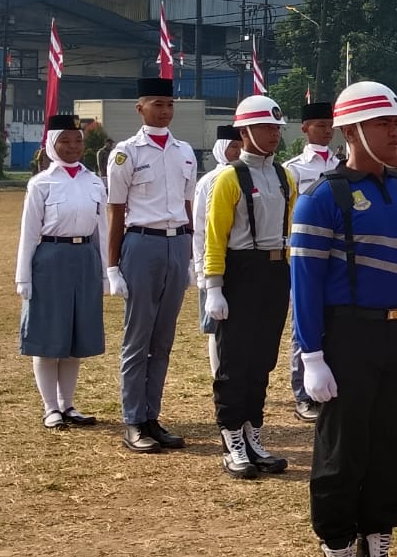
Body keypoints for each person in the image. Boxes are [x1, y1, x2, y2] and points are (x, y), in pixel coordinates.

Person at [291, 80, 397, 557]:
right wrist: (312, 356)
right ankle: (338, 556)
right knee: (342, 452)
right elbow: (304, 282)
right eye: (385, 125)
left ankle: (378, 550)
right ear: (353, 132)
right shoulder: (323, 196)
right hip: (346, 335)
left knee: (393, 447)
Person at [202, 95, 298, 479]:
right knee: (234, 361)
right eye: (264, 128)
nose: (273, 135)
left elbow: (290, 230)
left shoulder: (284, 176)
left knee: (263, 359)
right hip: (240, 270)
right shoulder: (230, 176)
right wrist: (213, 287)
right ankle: (231, 436)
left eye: (276, 128)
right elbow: (215, 237)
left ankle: (252, 430)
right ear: (244, 132)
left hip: (275, 271)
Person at [105, 77, 197, 454]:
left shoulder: (185, 151)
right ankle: (133, 420)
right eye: (157, 103)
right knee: (138, 337)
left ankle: (152, 416)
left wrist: (191, 256)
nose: (165, 110)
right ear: (140, 108)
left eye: (170, 104)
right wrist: (112, 267)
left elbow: (190, 208)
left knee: (163, 340)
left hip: (176, 244)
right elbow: (115, 212)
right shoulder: (126, 154)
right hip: (141, 242)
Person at [14, 116, 108, 429]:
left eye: (77, 140)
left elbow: (102, 231)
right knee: (47, 336)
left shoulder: (94, 181)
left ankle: (68, 405)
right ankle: (50, 407)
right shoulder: (41, 183)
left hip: (85, 259)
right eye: (64, 141)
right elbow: (28, 233)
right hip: (50, 259)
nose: (72, 147)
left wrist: (108, 272)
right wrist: (23, 277)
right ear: (52, 144)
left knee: (75, 337)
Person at [284, 101, 337, 422]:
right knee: (302, 323)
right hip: (304, 255)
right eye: (319, 125)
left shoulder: (342, 164)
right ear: (304, 129)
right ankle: (302, 393)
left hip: (337, 254)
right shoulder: (293, 169)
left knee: (334, 321)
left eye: (329, 125)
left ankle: (328, 386)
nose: (326, 131)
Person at [192, 125, 242, 375]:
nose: (238, 151)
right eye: (233, 146)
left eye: (241, 145)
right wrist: (202, 271)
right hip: (214, 260)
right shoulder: (208, 180)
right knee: (216, 326)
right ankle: (218, 377)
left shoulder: (248, 176)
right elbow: (200, 228)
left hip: (242, 260)